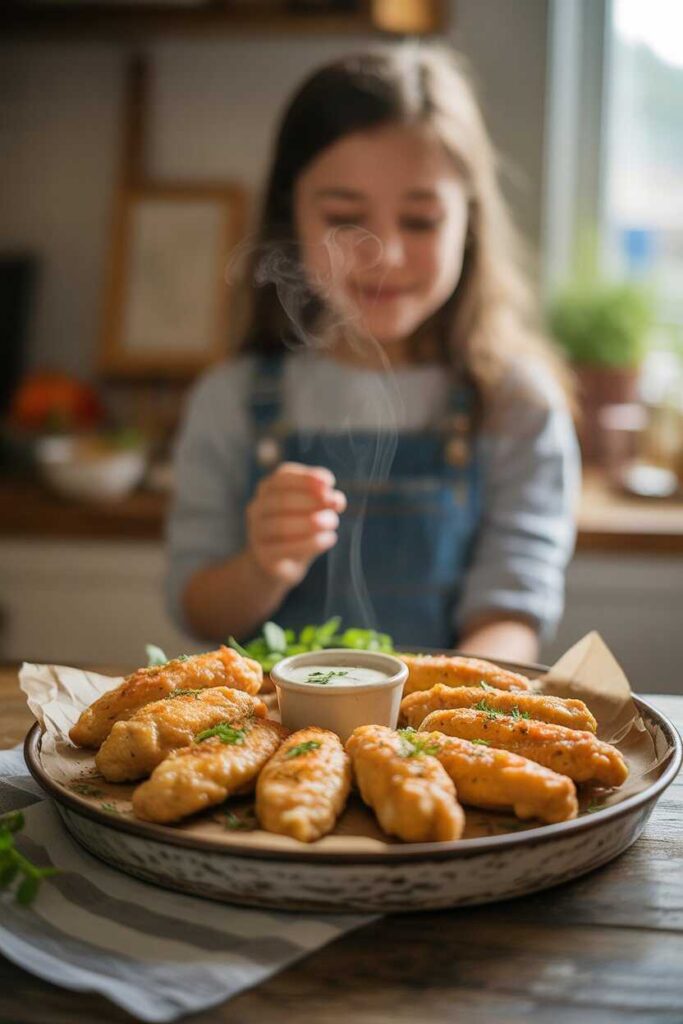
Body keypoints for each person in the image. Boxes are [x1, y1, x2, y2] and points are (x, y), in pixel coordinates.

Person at [166, 44, 580, 662]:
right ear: (291, 215)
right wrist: (264, 566)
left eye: (419, 221)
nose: (384, 252)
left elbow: (512, 611)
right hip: (269, 737)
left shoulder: (515, 404)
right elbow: (197, 609)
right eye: (344, 216)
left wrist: (424, 717)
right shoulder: (231, 399)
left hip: (432, 740)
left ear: (469, 221)